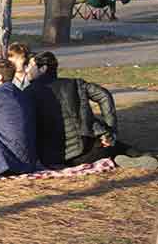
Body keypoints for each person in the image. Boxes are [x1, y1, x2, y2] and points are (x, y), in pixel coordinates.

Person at [26, 51, 158, 170]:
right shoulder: (75, 84)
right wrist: (111, 130)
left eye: (30, 67)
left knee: (110, 147)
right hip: (88, 149)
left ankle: (117, 160)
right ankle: (135, 157)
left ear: (43, 69)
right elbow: (104, 95)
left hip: (52, 158)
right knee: (117, 146)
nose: (27, 70)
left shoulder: (28, 93)